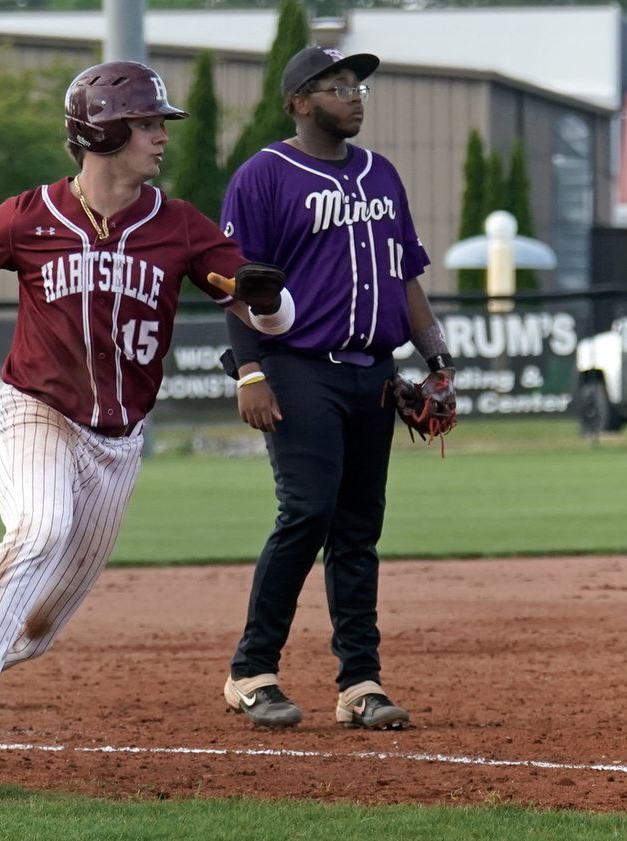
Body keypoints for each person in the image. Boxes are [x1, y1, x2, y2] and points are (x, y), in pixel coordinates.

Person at [0, 60, 295, 773]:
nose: (159, 137)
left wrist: (265, 300)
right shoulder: (31, 215)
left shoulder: (179, 228)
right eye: (144, 124)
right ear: (102, 130)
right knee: (41, 524)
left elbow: (271, 313)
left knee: (35, 628)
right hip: (33, 412)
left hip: (117, 443)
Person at [218, 46, 455, 731]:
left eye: (357, 85)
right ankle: (251, 670)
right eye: (335, 85)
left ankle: (360, 682)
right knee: (308, 512)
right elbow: (237, 286)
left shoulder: (382, 174)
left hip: (372, 370)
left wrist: (438, 360)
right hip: (297, 365)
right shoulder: (264, 175)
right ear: (298, 101)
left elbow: (405, 275)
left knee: (358, 527)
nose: (353, 95)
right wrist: (251, 370)